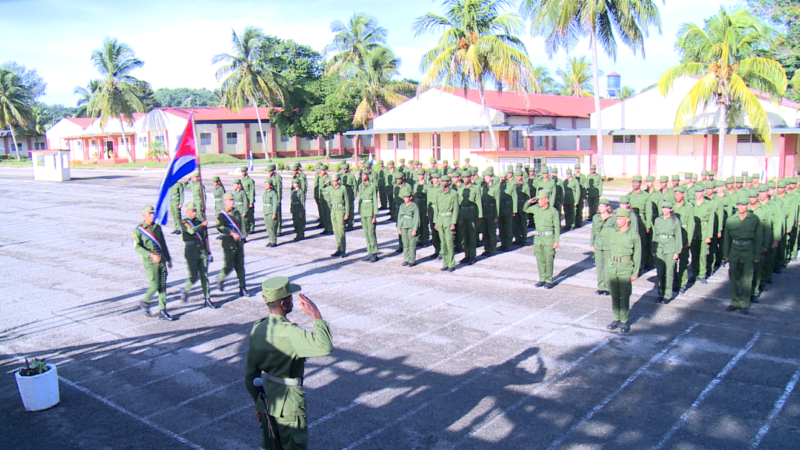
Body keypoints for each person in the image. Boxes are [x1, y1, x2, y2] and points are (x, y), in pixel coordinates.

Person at [245, 277, 333, 450]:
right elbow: (325, 346)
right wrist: (315, 314)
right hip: (289, 404)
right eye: (290, 298)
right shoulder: (291, 333)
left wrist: (258, 403)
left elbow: (250, 376)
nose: (293, 301)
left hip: (267, 399)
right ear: (283, 304)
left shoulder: (258, 329)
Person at [603, 208, 641, 334]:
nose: (618, 221)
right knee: (614, 294)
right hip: (613, 265)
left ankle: (624, 321)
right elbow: (599, 230)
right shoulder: (612, 232)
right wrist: (607, 218)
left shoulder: (634, 235)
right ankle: (616, 318)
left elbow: (637, 255)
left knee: (624, 295)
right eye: (617, 218)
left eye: (620, 219)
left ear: (627, 220)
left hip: (625, 266)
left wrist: (635, 272)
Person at [723, 194, 762, 314]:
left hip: (748, 250)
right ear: (736, 206)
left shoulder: (754, 219)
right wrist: (726, 254)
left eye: (744, 205)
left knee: (747, 278)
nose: (742, 207)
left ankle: (745, 303)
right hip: (735, 250)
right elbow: (727, 238)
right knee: (734, 277)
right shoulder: (730, 220)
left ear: (747, 205)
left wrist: (757, 255)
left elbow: (758, 238)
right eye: (739, 205)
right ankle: (734, 302)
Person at [134, 205, 174, 320]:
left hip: (160, 258)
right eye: (149, 214)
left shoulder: (157, 227)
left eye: (153, 213)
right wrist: (150, 255)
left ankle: (162, 310)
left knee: (162, 285)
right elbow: (137, 247)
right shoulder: (139, 229)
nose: (152, 215)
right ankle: (145, 301)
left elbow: (163, 243)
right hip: (150, 261)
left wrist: (168, 258)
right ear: (144, 215)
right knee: (154, 285)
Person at [180, 204, 216, 309]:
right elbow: (191, 231)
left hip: (201, 251)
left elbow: (205, 238)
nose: (194, 213)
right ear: (187, 212)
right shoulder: (184, 222)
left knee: (204, 275)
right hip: (191, 252)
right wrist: (201, 225)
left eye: (195, 211)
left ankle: (207, 298)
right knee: (193, 276)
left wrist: (208, 252)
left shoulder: (199, 221)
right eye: (192, 211)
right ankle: (185, 289)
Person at [524, 189, 561, 288]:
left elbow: (557, 227)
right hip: (538, 238)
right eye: (538, 199)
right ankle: (542, 279)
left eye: (540, 199)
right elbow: (525, 209)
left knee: (549, 259)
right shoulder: (536, 208)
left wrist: (556, 240)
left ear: (546, 199)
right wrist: (528, 202)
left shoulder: (553, 211)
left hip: (549, 238)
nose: (538, 201)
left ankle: (549, 280)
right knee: (540, 259)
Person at [217, 193, 248, 297]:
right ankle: (220, 278)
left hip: (238, 243)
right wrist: (230, 232)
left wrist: (243, 237)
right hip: (228, 244)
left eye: (232, 200)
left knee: (240, 266)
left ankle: (242, 287)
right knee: (229, 266)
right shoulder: (222, 214)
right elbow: (219, 227)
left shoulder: (237, 212)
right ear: (225, 201)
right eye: (229, 200)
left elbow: (241, 225)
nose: (231, 202)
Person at [652, 201, 682, 304]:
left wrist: (677, 251)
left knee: (669, 272)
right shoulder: (658, 220)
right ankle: (660, 294)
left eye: (667, 208)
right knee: (660, 272)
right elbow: (654, 235)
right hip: (660, 248)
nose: (665, 210)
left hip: (670, 248)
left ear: (671, 209)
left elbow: (678, 237)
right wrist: (654, 249)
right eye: (663, 208)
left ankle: (667, 295)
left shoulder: (675, 221)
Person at [590, 198, 616, 296]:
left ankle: (608, 287)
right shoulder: (596, 217)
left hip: (608, 245)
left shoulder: (613, 218)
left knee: (608, 267)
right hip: (598, 244)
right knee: (599, 266)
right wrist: (592, 244)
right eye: (599, 206)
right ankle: (601, 286)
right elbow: (594, 231)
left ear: (608, 207)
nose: (600, 208)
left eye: (603, 206)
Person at [433, 174, 459, 272]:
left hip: (448, 219)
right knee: (443, 243)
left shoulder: (453, 194)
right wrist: (436, 222)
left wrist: (453, 222)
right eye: (442, 181)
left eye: (446, 181)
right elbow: (436, 209)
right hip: (440, 220)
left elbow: (456, 209)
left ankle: (451, 264)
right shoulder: (438, 193)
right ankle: (445, 263)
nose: (444, 183)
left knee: (449, 243)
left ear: (449, 182)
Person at [672, 186, 694, 294]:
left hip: (684, 237)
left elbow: (691, 224)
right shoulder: (672, 206)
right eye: (676, 194)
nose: (678, 196)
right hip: (674, 239)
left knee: (683, 262)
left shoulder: (689, 207)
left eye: (680, 194)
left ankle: (682, 284)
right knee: (673, 263)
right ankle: (675, 283)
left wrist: (688, 240)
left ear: (683, 195)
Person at [459, 170, 483, 264]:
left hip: (472, 213)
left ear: (470, 178)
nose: (465, 179)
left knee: (472, 236)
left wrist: (479, 217)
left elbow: (478, 203)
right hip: (463, 213)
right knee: (465, 236)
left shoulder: (475, 188)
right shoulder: (461, 189)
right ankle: (466, 255)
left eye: (467, 177)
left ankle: (472, 255)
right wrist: (458, 216)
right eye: (463, 177)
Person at [326, 173, 350, 258]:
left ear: (338, 181)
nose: (333, 182)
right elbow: (322, 188)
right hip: (333, 211)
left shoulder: (343, 188)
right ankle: (338, 248)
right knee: (335, 230)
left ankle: (343, 250)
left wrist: (347, 213)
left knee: (341, 230)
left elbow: (347, 201)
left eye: (334, 181)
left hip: (340, 211)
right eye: (332, 181)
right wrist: (327, 181)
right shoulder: (331, 188)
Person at [358, 170, 380, 262]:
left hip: (370, 211)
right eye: (362, 175)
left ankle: (374, 253)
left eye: (364, 175)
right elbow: (360, 200)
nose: (363, 176)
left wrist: (375, 215)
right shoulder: (360, 186)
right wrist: (359, 213)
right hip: (363, 212)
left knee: (371, 233)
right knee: (366, 233)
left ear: (368, 175)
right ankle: (369, 251)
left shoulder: (372, 186)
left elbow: (375, 200)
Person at [397, 185, 420, 267]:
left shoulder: (414, 206)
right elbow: (399, 217)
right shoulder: (402, 206)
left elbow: (416, 218)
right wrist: (399, 228)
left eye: (407, 197)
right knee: (405, 244)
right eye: (404, 197)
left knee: (412, 244)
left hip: (411, 226)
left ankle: (412, 260)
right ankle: (406, 259)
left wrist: (414, 229)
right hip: (403, 226)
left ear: (410, 197)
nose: (405, 199)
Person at [480, 169, 500, 257]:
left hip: (491, 211)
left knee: (491, 232)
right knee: (485, 232)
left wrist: (496, 215)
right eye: (485, 177)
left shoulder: (495, 188)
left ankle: (492, 249)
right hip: (484, 211)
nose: (486, 178)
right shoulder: (483, 188)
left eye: (488, 177)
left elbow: (498, 203)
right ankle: (486, 248)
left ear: (491, 178)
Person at [266, 164, 283, 236]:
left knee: (277, 214)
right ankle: (274, 229)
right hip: (270, 198)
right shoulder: (269, 178)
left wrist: (278, 200)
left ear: (273, 170)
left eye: (270, 171)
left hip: (276, 197)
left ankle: (278, 229)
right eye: (268, 171)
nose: (269, 172)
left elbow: (279, 189)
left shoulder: (277, 178)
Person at [263, 180, 280, 248]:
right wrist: (263, 212)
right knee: (268, 227)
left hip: (270, 212)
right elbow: (264, 204)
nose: (265, 186)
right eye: (265, 184)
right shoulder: (265, 193)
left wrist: (274, 213)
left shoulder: (273, 193)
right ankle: (270, 240)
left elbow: (275, 204)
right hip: (266, 212)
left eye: (266, 184)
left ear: (270, 185)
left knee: (272, 227)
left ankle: (273, 241)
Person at [241, 167, 257, 234]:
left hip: (248, 198)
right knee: (245, 213)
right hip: (244, 199)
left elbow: (252, 191)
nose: (242, 173)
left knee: (250, 214)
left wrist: (251, 202)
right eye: (241, 172)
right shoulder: (242, 180)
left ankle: (251, 228)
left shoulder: (250, 180)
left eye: (243, 171)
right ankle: (247, 227)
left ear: (246, 172)